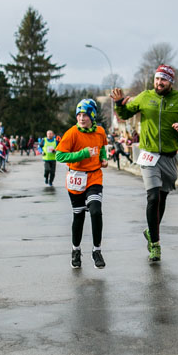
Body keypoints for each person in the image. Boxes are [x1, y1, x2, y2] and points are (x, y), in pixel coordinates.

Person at [112, 64, 178, 263]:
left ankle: (151, 231)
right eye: (157, 79)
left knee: (162, 198)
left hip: (169, 157)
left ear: (171, 82)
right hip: (149, 155)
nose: (159, 83)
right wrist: (118, 103)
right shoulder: (145, 96)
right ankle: (155, 245)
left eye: (163, 80)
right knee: (153, 197)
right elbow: (124, 114)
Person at [55, 99, 108, 269]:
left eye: (85, 115)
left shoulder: (100, 131)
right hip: (76, 178)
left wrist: (103, 158)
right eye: (79, 115)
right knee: (79, 216)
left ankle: (96, 250)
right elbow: (59, 156)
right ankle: (76, 250)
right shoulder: (72, 133)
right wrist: (82, 154)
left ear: (92, 116)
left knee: (96, 211)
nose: (81, 118)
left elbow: (102, 147)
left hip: (94, 177)